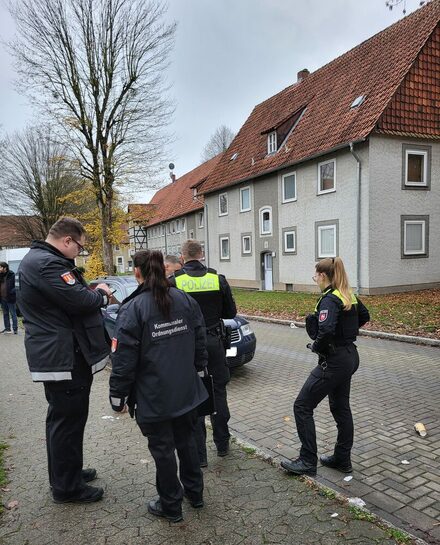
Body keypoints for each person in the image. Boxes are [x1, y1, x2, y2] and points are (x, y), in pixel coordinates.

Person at [16, 217, 113, 503]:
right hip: (64, 357)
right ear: (67, 240)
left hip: (59, 354)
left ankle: (66, 473)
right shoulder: (48, 264)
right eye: (79, 247)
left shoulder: (38, 260)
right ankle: (67, 488)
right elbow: (80, 301)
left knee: (63, 420)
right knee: (67, 422)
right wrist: (103, 296)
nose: (79, 253)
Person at [109, 250, 208, 523]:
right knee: (188, 442)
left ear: (137, 272)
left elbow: (123, 359)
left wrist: (117, 395)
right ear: (165, 269)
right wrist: (199, 369)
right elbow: (200, 340)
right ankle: (195, 494)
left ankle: (171, 506)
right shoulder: (184, 300)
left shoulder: (133, 309)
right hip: (187, 391)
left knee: (163, 451)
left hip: (155, 397)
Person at [281, 257, 370, 476]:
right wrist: (345, 332)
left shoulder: (330, 299)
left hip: (334, 361)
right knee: (341, 408)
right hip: (350, 357)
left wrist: (317, 346)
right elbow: (365, 316)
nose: (315, 280)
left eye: (315, 276)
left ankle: (307, 461)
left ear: (323, 276)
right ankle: (342, 459)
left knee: (302, 406)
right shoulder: (348, 293)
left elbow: (326, 329)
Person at [170, 239, 237, 467]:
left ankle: (200, 456)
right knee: (218, 391)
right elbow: (231, 312)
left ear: (182, 256)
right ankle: (223, 444)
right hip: (214, 341)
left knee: (194, 395)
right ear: (202, 255)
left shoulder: (175, 281)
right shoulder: (217, 279)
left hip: (187, 345)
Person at [0, 262, 18, 334]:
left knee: (13, 313)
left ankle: (15, 329)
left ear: (5, 268)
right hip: (2, 298)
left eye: (1, 267)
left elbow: (16, 286)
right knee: (5, 313)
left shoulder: (12, 275)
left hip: (10, 298)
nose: (0, 269)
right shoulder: (0, 275)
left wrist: (11, 291)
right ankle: (7, 329)